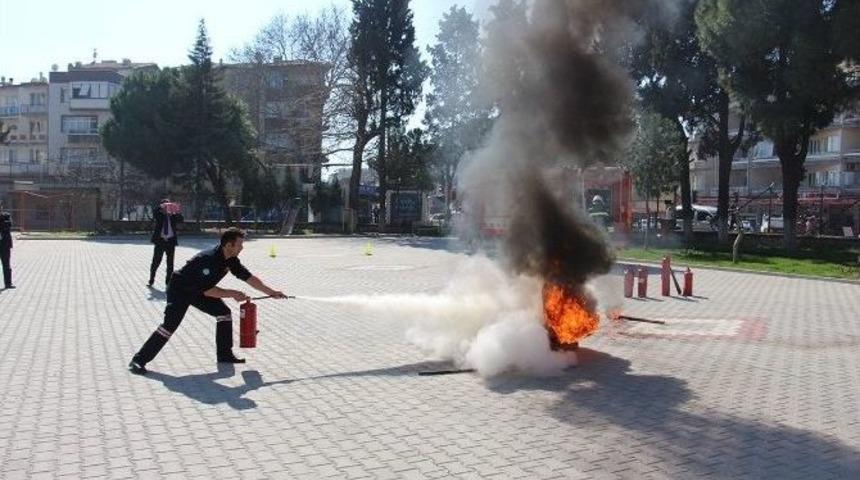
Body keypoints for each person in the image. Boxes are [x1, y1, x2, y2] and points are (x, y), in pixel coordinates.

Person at [129, 228, 287, 375]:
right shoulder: (208, 259)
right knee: (169, 326)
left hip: (199, 289)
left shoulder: (231, 259)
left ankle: (224, 355)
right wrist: (233, 293)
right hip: (181, 290)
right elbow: (209, 291)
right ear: (228, 245)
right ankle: (138, 360)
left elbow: (249, 278)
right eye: (240, 244)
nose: (242, 248)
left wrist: (272, 292)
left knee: (224, 313)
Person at [149, 198, 183, 287]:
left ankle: (168, 282)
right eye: (165, 206)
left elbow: (181, 219)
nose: (167, 207)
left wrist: (176, 210)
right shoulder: (159, 215)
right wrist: (161, 207)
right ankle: (151, 278)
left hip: (171, 242)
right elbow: (154, 212)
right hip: (160, 241)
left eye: (168, 205)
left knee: (170, 264)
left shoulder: (173, 215)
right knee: (156, 261)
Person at [1, 207, 13, 289]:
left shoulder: (6, 215)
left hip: (4, 245)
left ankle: (8, 284)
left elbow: (9, 225)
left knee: (6, 264)